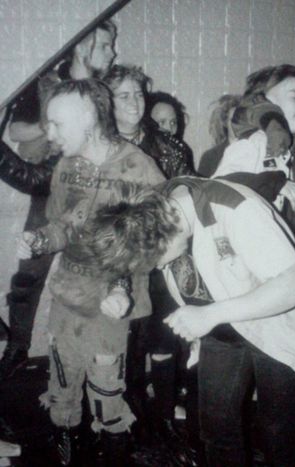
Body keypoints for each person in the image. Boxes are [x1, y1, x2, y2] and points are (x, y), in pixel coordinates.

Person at [90, 175, 295, 467]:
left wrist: (211, 314)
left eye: (158, 260)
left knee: (279, 435)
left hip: (275, 321)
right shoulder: (153, 207)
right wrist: (119, 288)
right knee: (215, 429)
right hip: (219, 332)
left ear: (165, 232)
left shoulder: (237, 210)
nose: (160, 267)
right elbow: (131, 247)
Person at [16, 78, 164, 466]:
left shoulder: (139, 170)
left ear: (87, 117)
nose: (49, 133)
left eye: (57, 123)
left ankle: (111, 455)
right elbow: (63, 224)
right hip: (67, 294)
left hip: (110, 306)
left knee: (106, 395)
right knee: (61, 384)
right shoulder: (67, 164)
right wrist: (39, 241)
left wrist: (122, 287)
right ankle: (66, 451)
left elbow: (157, 244)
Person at [0, 20, 117, 381]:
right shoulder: (45, 82)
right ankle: (18, 348)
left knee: (96, 276)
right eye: (106, 45)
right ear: (82, 48)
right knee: (29, 275)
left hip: (95, 189)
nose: (113, 52)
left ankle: (86, 367)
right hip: (49, 186)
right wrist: (52, 124)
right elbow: (17, 130)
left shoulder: (107, 90)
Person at [104, 64, 196, 450]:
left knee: (163, 336)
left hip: (162, 254)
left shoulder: (169, 146)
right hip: (117, 255)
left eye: (139, 93)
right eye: (124, 95)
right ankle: (128, 413)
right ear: (106, 102)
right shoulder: (100, 146)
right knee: (124, 339)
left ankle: (162, 419)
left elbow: (188, 194)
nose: (134, 101)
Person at [213, 64, 295, 222]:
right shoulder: (255, 141)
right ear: (267, 102)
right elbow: (218, 185)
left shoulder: (285, 146)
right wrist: (276, 183)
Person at [198, 94, 241, 177]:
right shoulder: (210, 157)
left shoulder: (256, 148)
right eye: (233, 120)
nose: (238, 125)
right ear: (225, 122)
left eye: (242, 120)